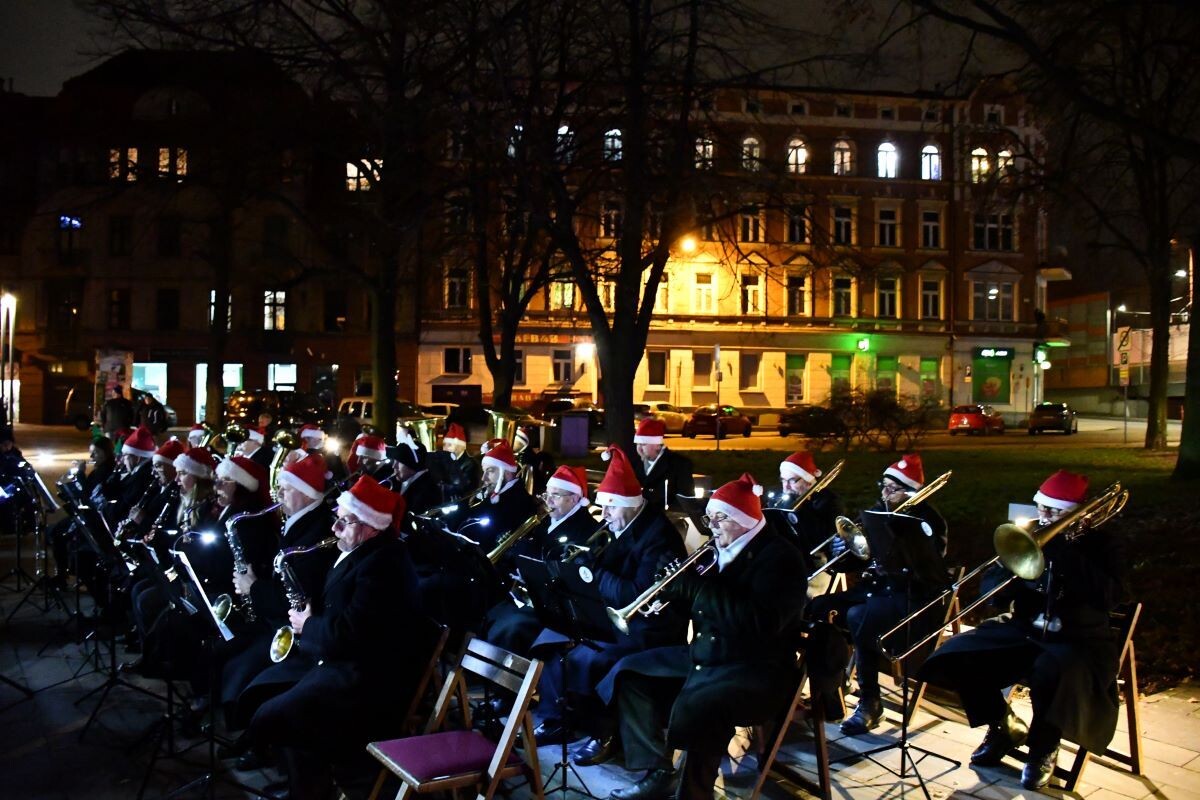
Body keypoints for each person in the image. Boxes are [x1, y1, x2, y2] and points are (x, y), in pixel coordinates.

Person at [596, 474, 809, 798]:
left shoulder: (781, 559)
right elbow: (700, 605)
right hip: (708, 653)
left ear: (744, 521)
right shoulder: (718, 549)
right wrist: (672, 588)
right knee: (629, 672)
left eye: (720, 518)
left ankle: (694, 792)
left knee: (704, 705)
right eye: (709, 518)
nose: (712, 526)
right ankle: (658, 770)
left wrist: (697, 588)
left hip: (755, 666)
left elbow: (760, 622)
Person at [919, 471, 1125, 790]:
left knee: (1049, 670)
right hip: (1026, 630)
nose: (1046, 517)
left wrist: (1064, 553)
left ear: (1079, 513)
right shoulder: (1027, 534)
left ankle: (1043, 748)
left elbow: (1110, 596)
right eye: (1043, 509)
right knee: (955, 655)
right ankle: (1004, 726)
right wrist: (1004, 581)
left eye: (1055, 512)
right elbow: (991, 590)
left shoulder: (1100, 544)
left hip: (1078, 639)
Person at [244, 475, 437, 800]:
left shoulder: (384, 565)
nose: (334, 529)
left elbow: (351, 634)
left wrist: (309, 624)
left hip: (370, 682)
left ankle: (312, 786)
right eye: (337, 519)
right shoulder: (364, 550)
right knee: (262, 693)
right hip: (343, 662)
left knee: (278, 715)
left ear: (371, 526)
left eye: (344, 522)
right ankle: (305, 781)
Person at [530, 445, 687, 756]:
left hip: (648, 627)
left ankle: (604, 733)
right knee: (555, 636)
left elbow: (636, 593)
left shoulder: (658, 536)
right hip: (612, 615)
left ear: (628, 506)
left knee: (591, 657)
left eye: (609, 509)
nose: (603, 517)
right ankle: (557, 717)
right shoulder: (622, 522)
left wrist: (592, 572)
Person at [807, 453, 949, 736]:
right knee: (817, 608)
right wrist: (843, 552)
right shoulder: (875, 512)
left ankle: (870, 700)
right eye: (882, 485)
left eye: (892, 488)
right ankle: (830, 690)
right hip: (873, 590)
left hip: (909, 596)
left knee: (861, 617)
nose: (884, 492)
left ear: (913, 491)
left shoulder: (928, 519)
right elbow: (859, 559)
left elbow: (931, 569)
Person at [483, 465, 599, 655]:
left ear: (574, 498)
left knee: (512, 627)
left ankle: (509, 678)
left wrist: (531, 566)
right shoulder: (545, 520)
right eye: (547, 494)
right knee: (493, 610)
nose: (548, 500)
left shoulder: (586, 529)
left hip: (556, 609)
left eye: (556, 495)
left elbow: (567, 572)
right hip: (531, 597)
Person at [769, 451, 845, 595]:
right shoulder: (781, 499)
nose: (786, 487)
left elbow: (825, 539)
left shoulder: (828, 501)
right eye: (783, 481)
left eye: (792, 481)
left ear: (808, 480)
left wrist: (801, 511)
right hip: (782, 558)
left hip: (814, 563)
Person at [630, 418, 694, 513]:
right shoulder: (633, 464)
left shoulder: (679, 464)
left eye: (643, 444)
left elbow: (685, 500)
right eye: (637, 444)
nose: (639, 449)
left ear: (657, 444)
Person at [428, 422, 480, 502]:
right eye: (444, 444)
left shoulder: (471, 464)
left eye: (449, 445)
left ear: (461, 446)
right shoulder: (444, 460)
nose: (445, 448)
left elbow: (465, 488)